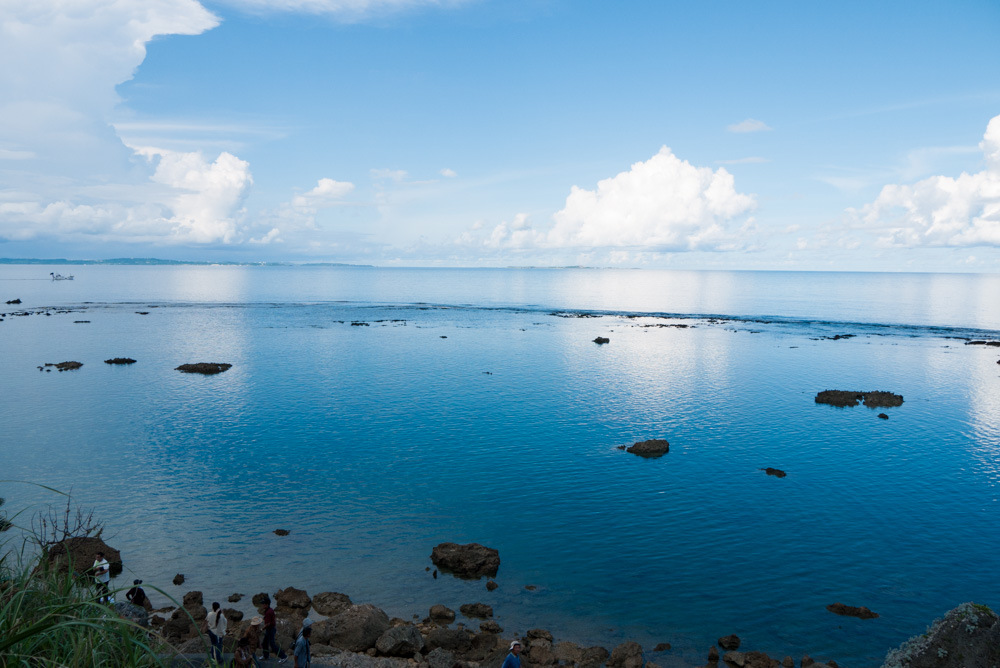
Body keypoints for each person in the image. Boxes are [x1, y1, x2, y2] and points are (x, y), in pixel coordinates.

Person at [260, 595, 287, 662]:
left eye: (263, 604)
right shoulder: (269, 610)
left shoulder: (269, 612)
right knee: (265, 643)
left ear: (267, 604)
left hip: (270, 630)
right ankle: (266, 655)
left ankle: (283, 656)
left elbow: (268, 624)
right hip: (270, 629)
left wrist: (261, 629)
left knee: (273, 645)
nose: (262, 605)